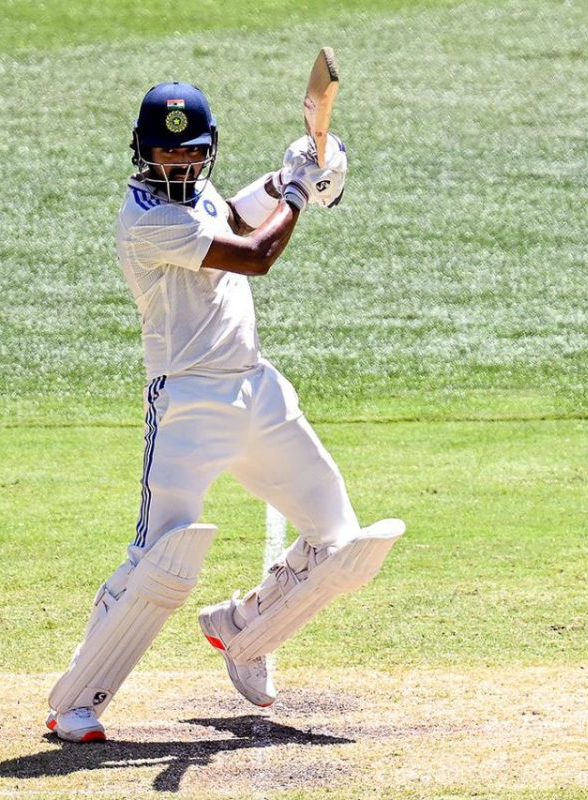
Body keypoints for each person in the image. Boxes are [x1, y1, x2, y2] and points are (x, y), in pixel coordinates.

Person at [45, 81, 405, 743]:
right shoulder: (149, 219)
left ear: (207, 152)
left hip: (256, 390)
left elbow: (236, 216)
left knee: (341, 543)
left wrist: (281, 177)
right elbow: (255, 254)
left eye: (190, 154)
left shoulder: (195, 195)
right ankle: (75, 701)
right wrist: (298, 192)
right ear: (141, 152)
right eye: (165, 153)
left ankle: (243, 627)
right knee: (161, 560)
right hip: (188, 403)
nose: (179, 165)